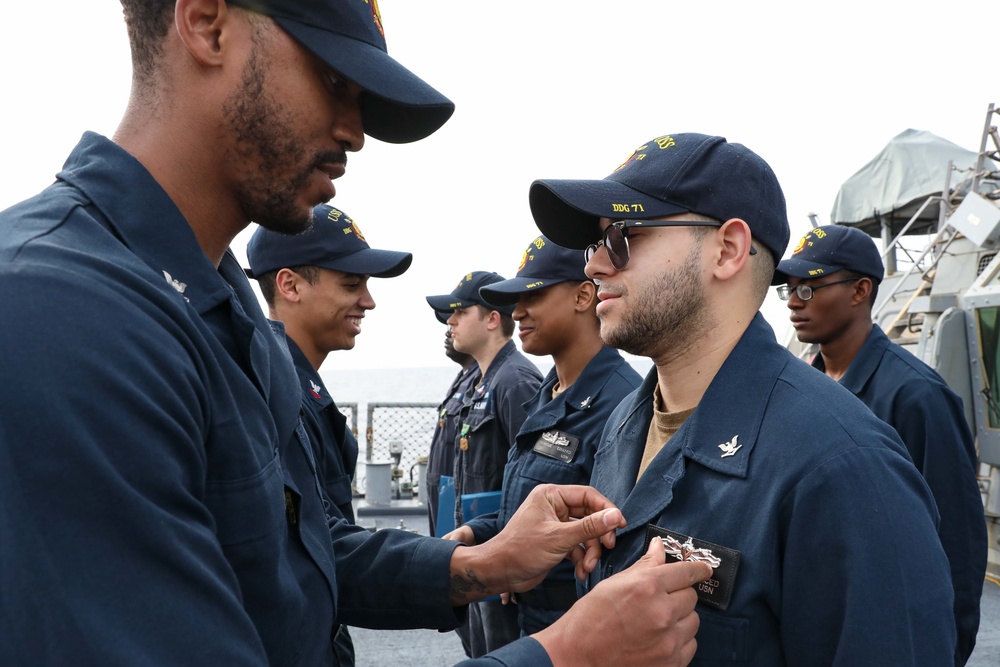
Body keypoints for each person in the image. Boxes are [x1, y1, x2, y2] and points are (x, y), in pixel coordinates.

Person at [0, 2, 716, 665]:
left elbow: (294, 557)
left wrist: (476, 565)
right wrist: (565, 654)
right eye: (333, 78)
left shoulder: (217, 305)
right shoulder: (60, 316)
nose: (355, 132)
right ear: (207, 23)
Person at [529, 132, 958, 665]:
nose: (594, 268)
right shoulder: (623, 424)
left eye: (621, 236)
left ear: (728, 249)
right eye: (594, 246)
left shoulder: (843, 466)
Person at [774, 223, 988, 666]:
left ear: (860, 291)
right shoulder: (804, 388)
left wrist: (949, 649)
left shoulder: (918, 397)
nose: (794, 301)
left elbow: (959, 544)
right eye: (790, 290)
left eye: (810, 289)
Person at [447, 235, 643, 636]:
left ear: (583, 296)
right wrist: (481, 534)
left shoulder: (622, 404)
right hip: (527, 617)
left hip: (574, 628)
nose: (517, 311)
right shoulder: (548, 393)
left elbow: (619, 542)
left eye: (533, 295)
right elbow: (531, 507)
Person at [246, 202, 413, 666]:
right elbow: (318, 550)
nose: (369, 300)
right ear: (290, 284)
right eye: (351, 283)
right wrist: (474, 566)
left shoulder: (300, 387)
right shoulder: (272, 397)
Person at [427, 271, 544, 656]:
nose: (451, 320)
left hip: (498, 557)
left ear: (493, 319)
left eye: (461, 311)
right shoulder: (483, 378)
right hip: (476, 549)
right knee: (480, 650)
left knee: (501, 652)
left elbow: (533, 480)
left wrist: (514, 557)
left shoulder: (515, 380)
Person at [426, 315, 480, 539]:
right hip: (445, 498)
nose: (448, 333)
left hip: (466, 508)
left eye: (454, 325)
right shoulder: (465, 376)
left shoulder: (494, 379)